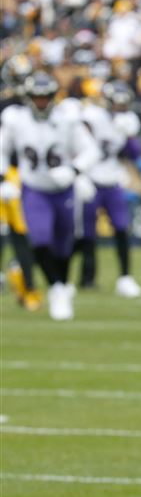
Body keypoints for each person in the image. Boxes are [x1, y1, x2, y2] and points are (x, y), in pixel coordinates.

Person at [0, 72, 99, 320]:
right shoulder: (16, 120)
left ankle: (62, 284)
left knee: (63, 247)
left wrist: (75, 171)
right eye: (37, 96)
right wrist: (2, 179)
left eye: (45, 96)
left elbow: (90, 150)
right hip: (34, 189)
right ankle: (57, 288)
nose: (41, 101)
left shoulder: (67, 119)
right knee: (40, 240)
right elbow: (1, 150)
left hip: (63, 189)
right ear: (28, 97)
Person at [70, 81, 141, 298]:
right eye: (117, 104)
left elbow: (133, 153)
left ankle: (125, 278)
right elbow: (76, 141)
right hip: (90, 179)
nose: (120, 108)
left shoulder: (128, 120)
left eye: (124, 104)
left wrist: (129, 137)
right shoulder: (92, 116)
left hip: (112, 181)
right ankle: (86, 278)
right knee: (86, 234)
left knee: (122, 228)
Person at [0, 55, 42, 311]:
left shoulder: (28, 108)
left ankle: (26, 284)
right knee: (17, 234)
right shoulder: (11, 107)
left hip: (19, 172)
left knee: (22, 233)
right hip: (9, 172)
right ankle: (26, 286)